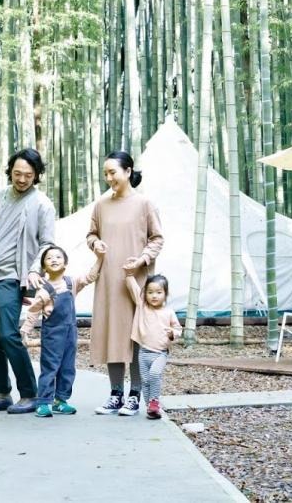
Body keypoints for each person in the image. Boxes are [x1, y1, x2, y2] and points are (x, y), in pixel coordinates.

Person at [0, 148, 56, 415]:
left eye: (28, 175)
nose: (22, 179)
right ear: (10, 171)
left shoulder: (42, 204)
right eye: (17, 173)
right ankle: (1, 392)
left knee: (8, 335)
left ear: (37, 175)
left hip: (12, 276)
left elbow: (47, 243)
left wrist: (34, 270)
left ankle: (30, 393)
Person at [86, 151, 164, 417]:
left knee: (137, 337)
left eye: (113, 172)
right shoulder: (101, 205)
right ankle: (116, 394)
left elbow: (157, 238)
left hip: (136, 280)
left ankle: (135, 395)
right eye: (105, 173)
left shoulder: (145, 204)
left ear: (128, 171)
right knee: (113, 335)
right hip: (109, 279)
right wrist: (95, 243)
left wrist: (142, 259)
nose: (109, 178)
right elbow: (91, 234)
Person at [20, 244, 103, 418]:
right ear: (44, 267)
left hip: (70, 333)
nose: (54, 260)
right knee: (50, 367)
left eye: (58, 257)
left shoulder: (71, 283)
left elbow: (90, 277)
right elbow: (33, 311)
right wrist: (25, 331)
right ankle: (43, 402)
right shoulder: (44, 290)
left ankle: (61, 401)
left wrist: (100, 258)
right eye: (49, 258)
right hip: (52, 334)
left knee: (68, 367)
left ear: (65, 263)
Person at [126, 273, 181, 420]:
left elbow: (178, 329)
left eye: (158, 292)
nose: (154, 296)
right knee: (145, 381)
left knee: (154, 375)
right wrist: (129, 274)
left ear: (165, 293)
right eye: (150, 292)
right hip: (143, 352)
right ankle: (150, 407)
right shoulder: (142, 307)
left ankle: (155, 401)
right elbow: (135, 290)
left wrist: (172, 333)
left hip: (160, 353)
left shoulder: (169, 312)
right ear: (145, 294)